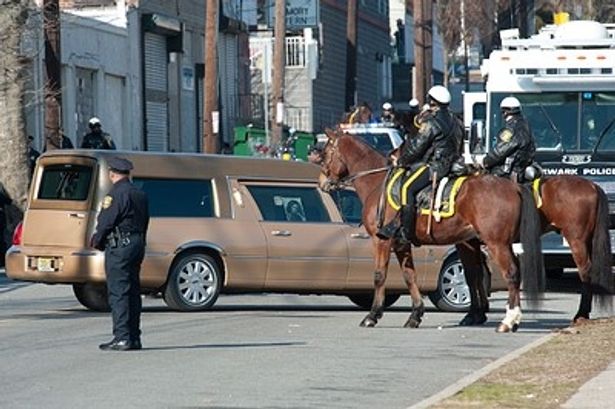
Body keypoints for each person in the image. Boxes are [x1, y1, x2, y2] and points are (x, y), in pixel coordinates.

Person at [377, 85, 463, 242]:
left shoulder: (431, 123)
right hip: (454, 165)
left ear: (432, 101)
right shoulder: (456, 121)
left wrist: (401, 161)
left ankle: (405, 232)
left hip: (435, 167)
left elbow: (417, 147)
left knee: (406, 188)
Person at [91, 157, 149, 351]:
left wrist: (97, 241)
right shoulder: (139, 193)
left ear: (112, 174)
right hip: (136, 244)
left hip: (119, 246)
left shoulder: (116, 194)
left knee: (119, 292)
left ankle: (122, 337)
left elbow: (107, 220)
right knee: (133, 292)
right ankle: (134, 337)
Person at [479, 96, 536, 182]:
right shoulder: (527, 126)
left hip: (507, 173)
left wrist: (485, 162)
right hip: (522, 171)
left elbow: (500, 151)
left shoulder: (510, 129)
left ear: (505, 113)